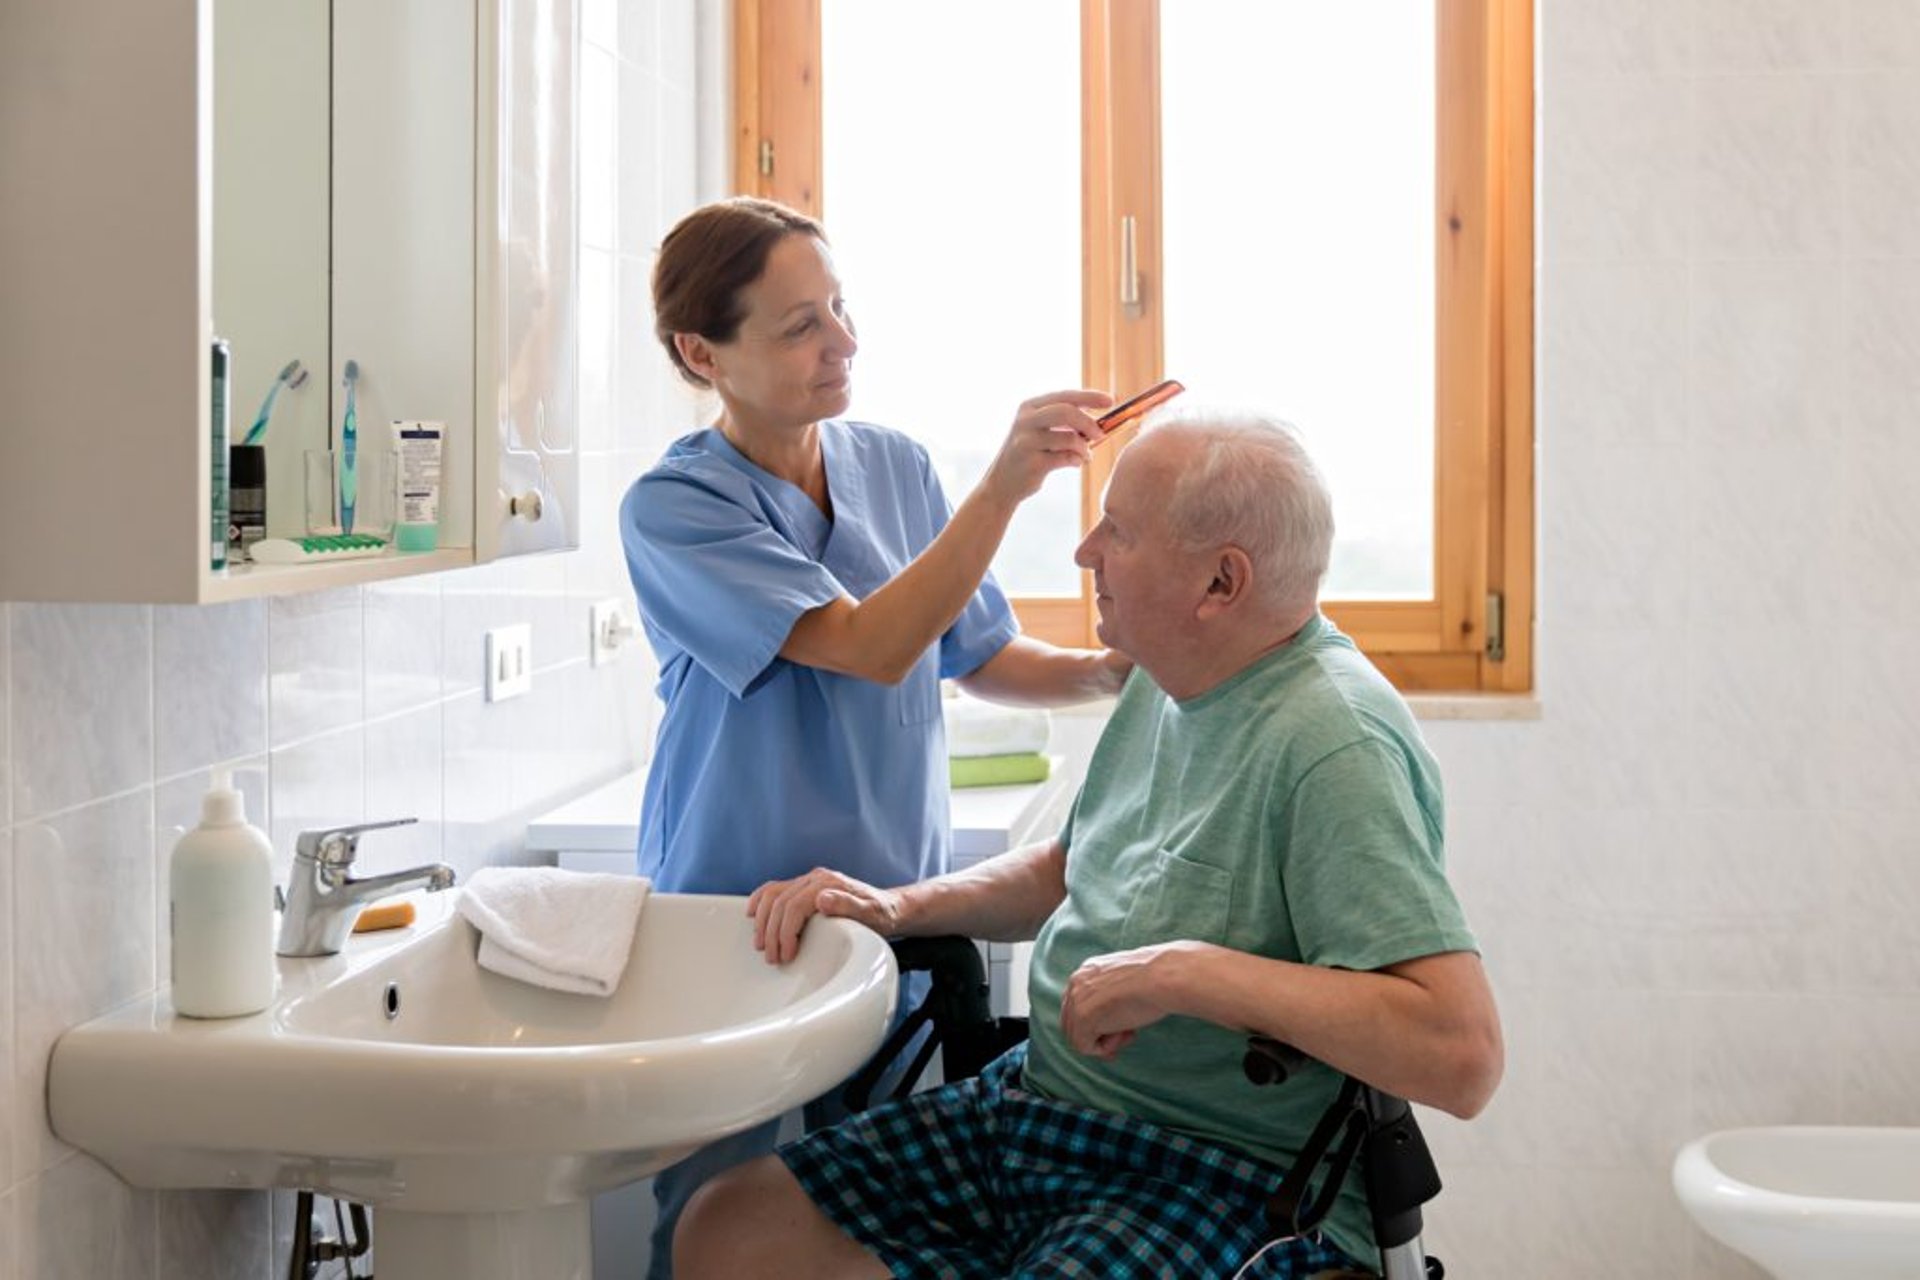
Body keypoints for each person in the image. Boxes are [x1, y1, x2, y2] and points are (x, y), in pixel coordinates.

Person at [675, 408, 1505, 1279]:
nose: (1085, 553)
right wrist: (898, 905)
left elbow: (1462, 1055)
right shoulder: (1169, 674)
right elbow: (1065, 868)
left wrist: (1186, 973)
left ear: (1221, 583)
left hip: (1210, 1172)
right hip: (1041, 1111)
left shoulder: (1334, 744)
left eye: (1120, 531)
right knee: (731, 1226)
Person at [619, 196, 1133, 1276]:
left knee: (866, 1216)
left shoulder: (893, 465)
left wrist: (1107, 671)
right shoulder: (675, 508)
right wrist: (1005, 483)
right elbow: (868, 644)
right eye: (800, 324)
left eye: (841, 308)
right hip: (734, 929)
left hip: (881, 916)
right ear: (700, 351)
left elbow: (973, 648)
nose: (842, 342)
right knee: (720, 1218)